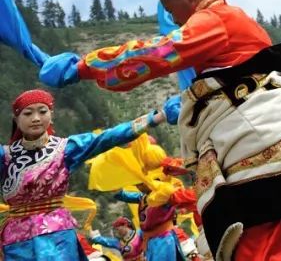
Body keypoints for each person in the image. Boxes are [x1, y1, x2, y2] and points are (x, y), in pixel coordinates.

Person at [37, 0, 281, 261]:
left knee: (266, 239)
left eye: (172, 11)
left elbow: (161, 51)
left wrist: (85, 66)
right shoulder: (233, 19)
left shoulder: (215, 18)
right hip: (265, 132)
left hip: (258, 137)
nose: (174, 21)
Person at [1, 89, 165, 261]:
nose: (36, 118)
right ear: (16, 120)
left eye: (42, 112)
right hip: (16, 240)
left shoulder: (66, 148)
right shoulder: (5, 156)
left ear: (51, 115)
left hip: (57, 234)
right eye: (28, 113)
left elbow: (106, 138)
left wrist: (153, 119)